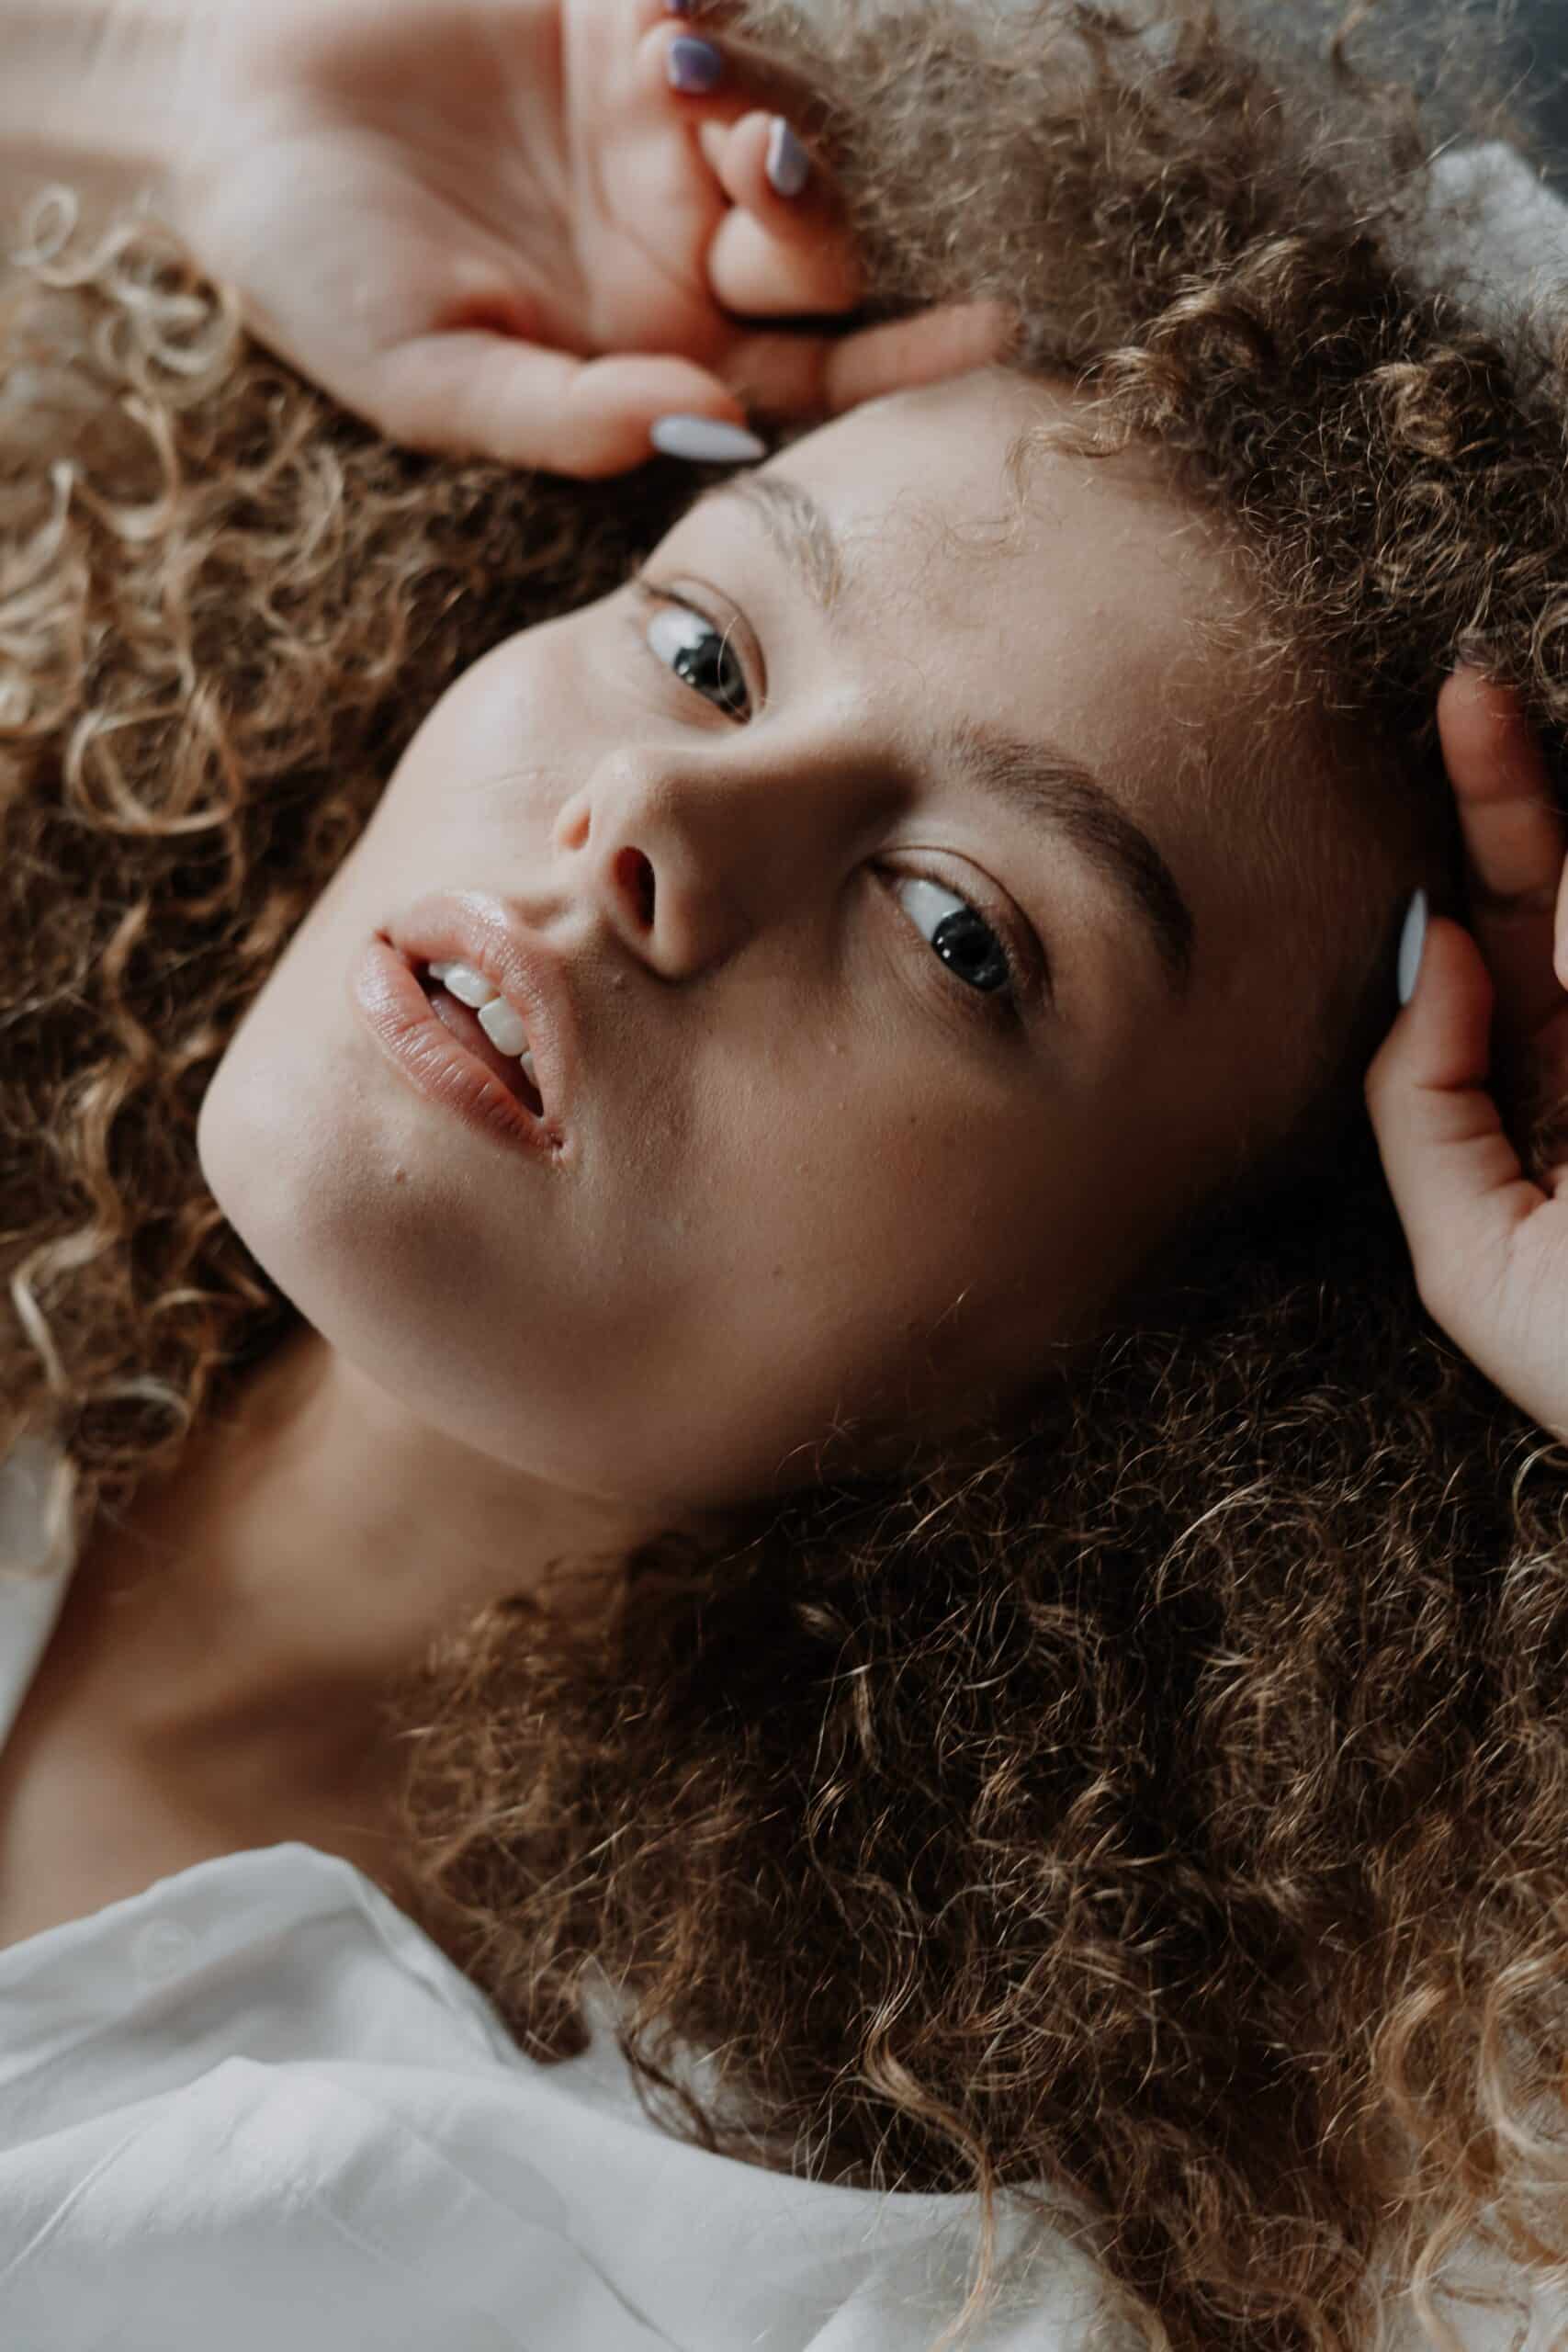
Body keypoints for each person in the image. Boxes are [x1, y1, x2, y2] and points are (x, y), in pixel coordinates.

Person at [5, 0, 1568, 2347]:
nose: (651, 820)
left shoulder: (846, 2298)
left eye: (959, 930)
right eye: (706, 646)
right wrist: (171, 91)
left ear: (1154, 1370)